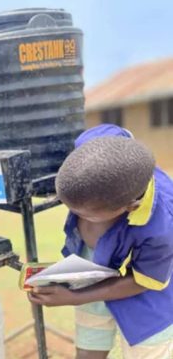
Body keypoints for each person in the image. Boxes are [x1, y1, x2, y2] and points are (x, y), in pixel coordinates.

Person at [29, 125, 173, 359]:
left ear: (128, 207)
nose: (75, 216)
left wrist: (74, 297)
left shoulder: (162, 227)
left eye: (85, 215)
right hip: (94, 265)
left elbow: (144, 281)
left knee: (148, 347)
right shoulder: (98, 145)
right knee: (89, 349)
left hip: (148, 283)